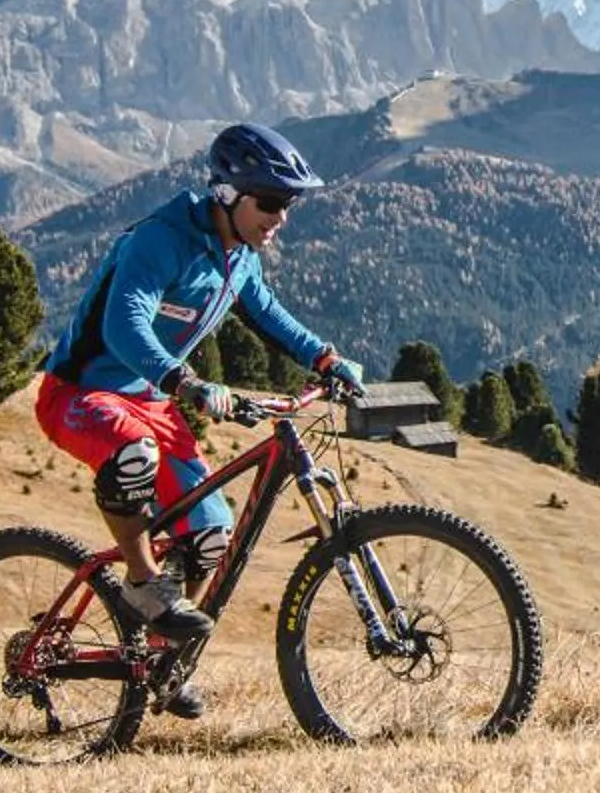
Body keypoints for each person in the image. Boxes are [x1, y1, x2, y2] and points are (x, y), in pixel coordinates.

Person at [33, 121, 371, 714]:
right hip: (80, 394)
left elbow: (270, 316)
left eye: (287, 204)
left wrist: (326, 358)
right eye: (270, 202)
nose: (281, 217)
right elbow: (124, 325)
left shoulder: (238, 256)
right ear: (227, 195)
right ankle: (141, 583)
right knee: (131, 452)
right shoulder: (159, 241)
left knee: (211, 533)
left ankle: (164, 659)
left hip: (151, 402)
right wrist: (185, 381)